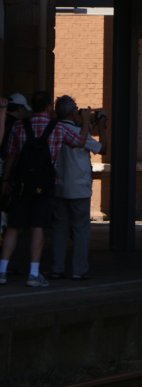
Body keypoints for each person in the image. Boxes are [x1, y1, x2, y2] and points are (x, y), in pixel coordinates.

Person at [0, 91, 89, 287]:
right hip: (44, 186)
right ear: (49, 107)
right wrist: (86, 122)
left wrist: (6, 180)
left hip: (21, 185)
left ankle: (2, 271)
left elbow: (11, 155)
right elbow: (79, 142)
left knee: (13, 227)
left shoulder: (19, 126)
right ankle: (33, 274)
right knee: (38, 227)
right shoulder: (57, 128)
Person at [51, 96, 105, 281]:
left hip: (59, 186)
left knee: (59, 230)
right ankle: (78, 270)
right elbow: (102, 148)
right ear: (72, 112)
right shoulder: (77, 132)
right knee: (81, 230)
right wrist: (100, 127)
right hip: (79, 188)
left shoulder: (54, 129)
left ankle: (57, 268)